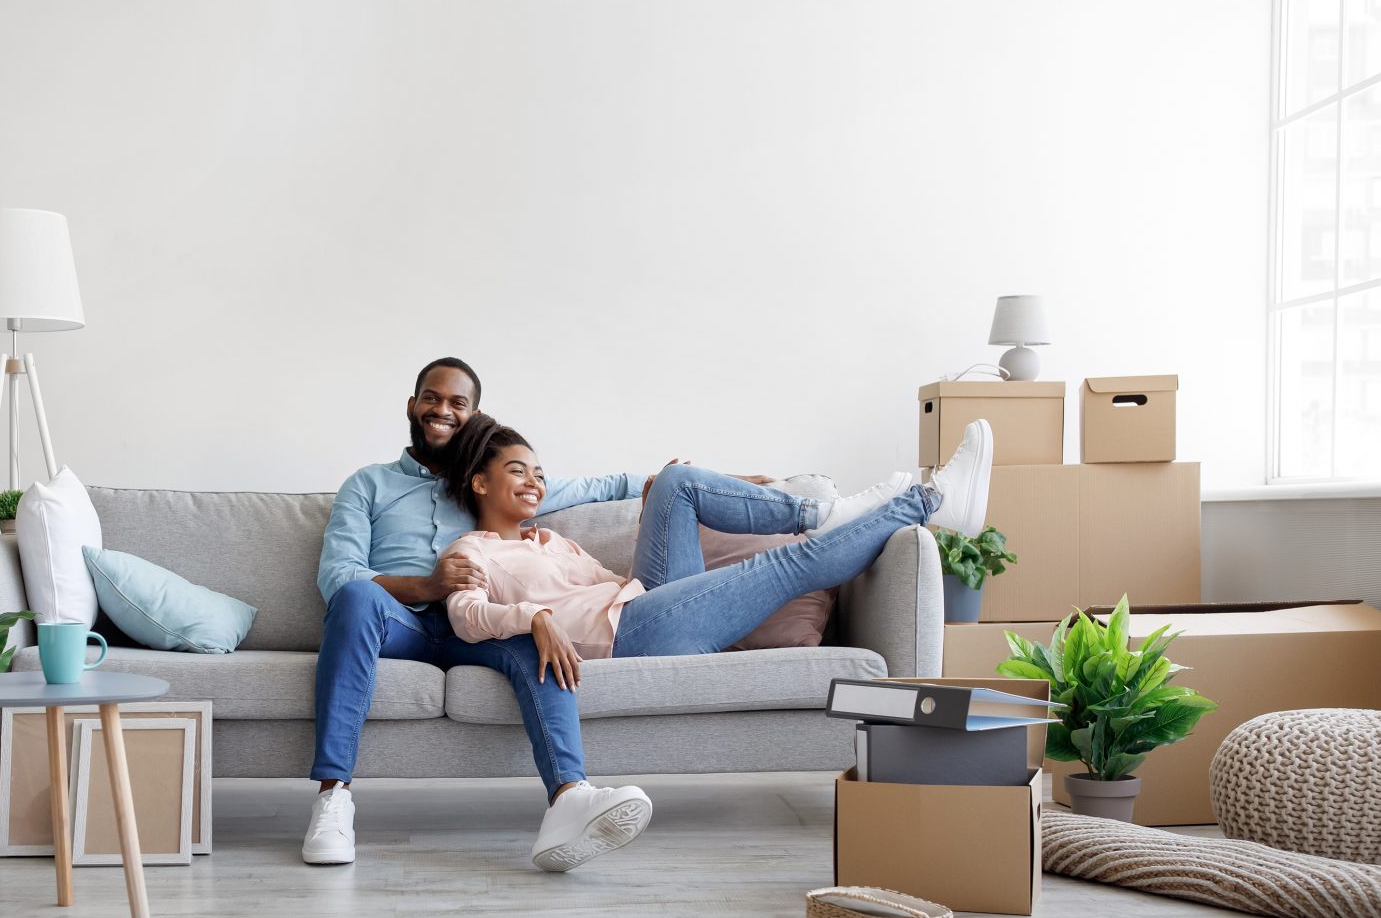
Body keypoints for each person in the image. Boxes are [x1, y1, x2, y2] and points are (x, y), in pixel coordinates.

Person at [304, 356, 665, 873]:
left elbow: (596, 487)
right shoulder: (369, 484)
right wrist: (426, 585)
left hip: (472, 623)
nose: (442, 410)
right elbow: (337, 578)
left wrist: (675, 481)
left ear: (473, 415)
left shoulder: (488, 478)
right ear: (413, 405)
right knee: (358, 596)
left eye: (457, 403)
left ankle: (569, 798)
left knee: (534, 633)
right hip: (396, 621)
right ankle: (333, 798)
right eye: (432, 398)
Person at [437, 415, 992, 696]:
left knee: (676, 483)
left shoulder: (553, 540)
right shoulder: (471, 551)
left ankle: (822, 514)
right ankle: (931, 500)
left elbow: (618, 582)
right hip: (626, 639)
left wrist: (651, 521)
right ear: (480, 485)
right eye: (517, 472)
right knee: (780, 567)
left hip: (642, 608)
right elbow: (465, 617)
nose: (534, 483)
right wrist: (532, 617)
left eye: (539, 473)